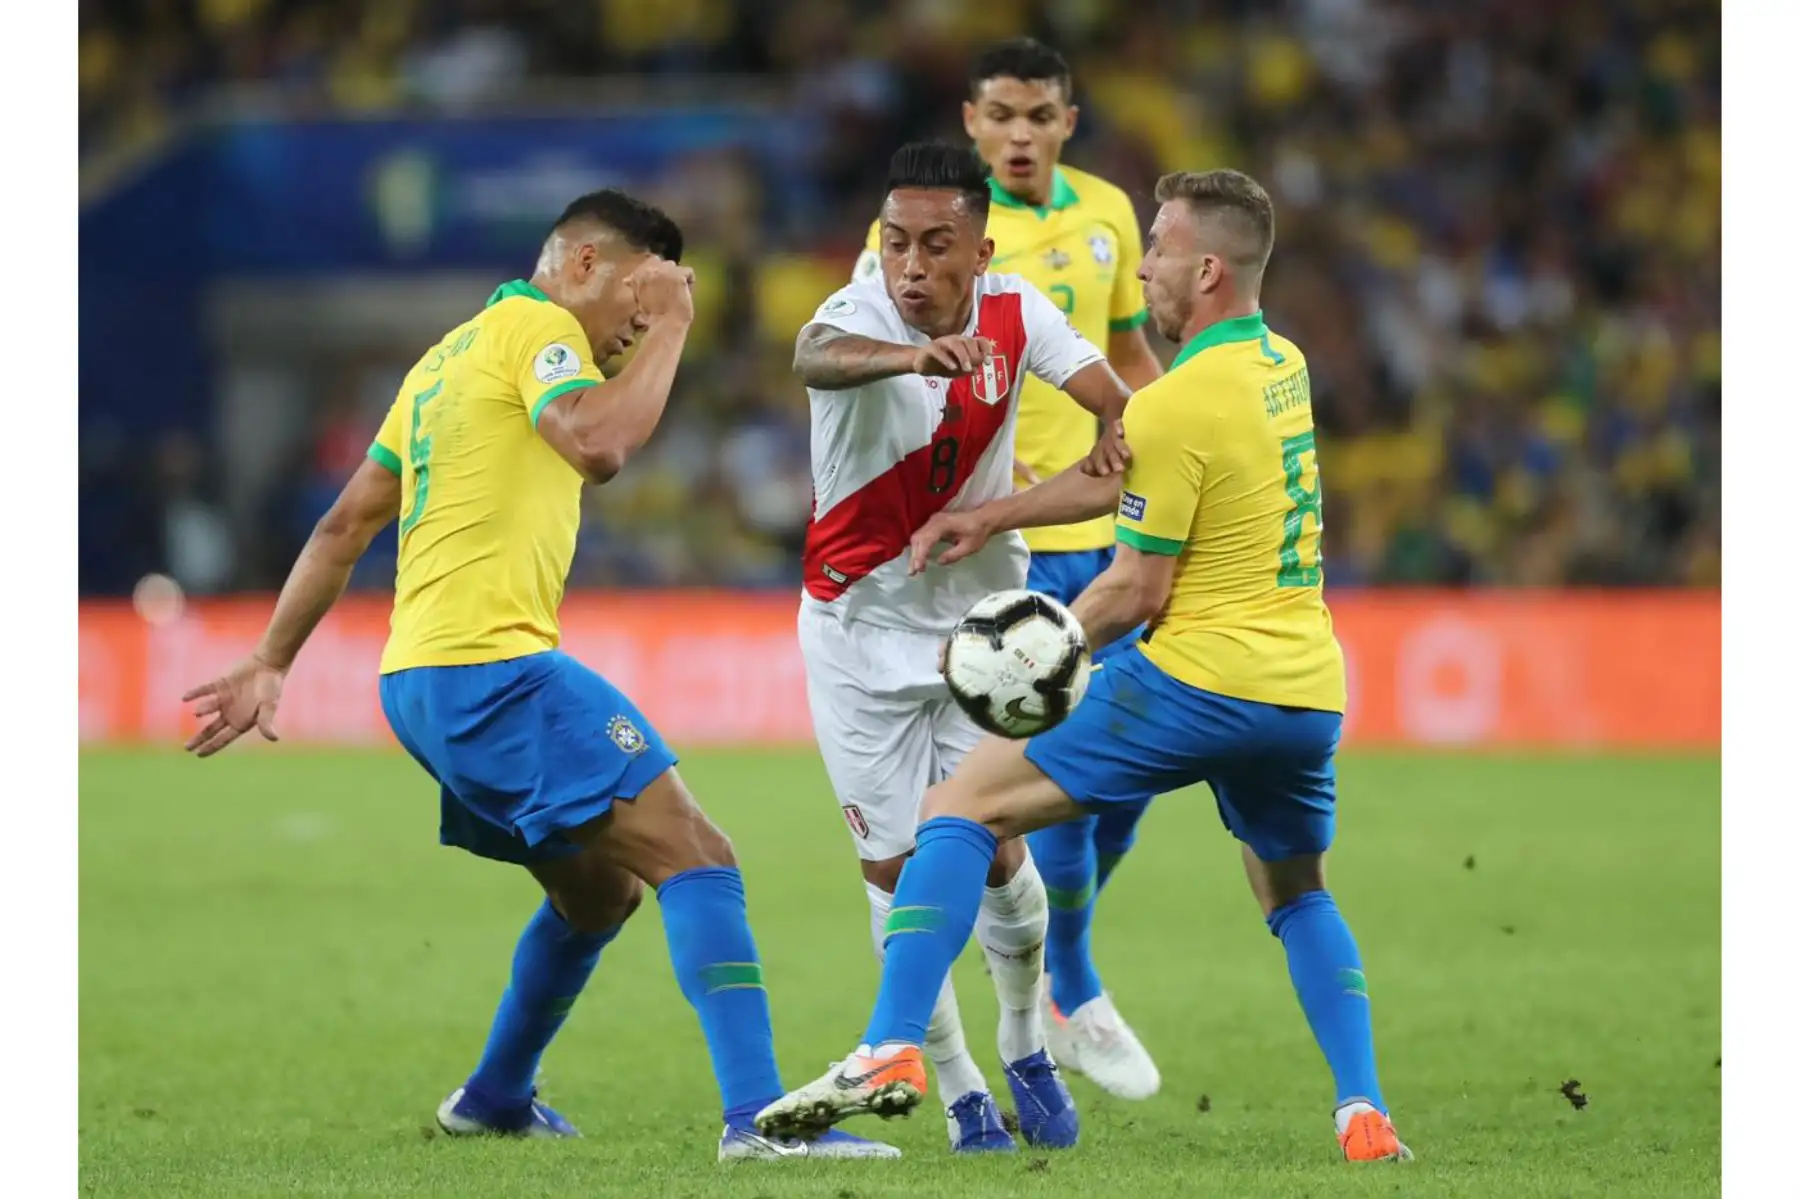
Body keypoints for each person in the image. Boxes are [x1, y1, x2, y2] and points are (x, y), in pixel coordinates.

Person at [179, 189, 897, 1164]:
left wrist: (271, 658)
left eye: (647, 323)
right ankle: (760, 1124)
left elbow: (344, 523)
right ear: (585, 264)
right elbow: (598, 443)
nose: (627, 338)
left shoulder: (447, 357)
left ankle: (494, 1096)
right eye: (630, 312)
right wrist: (677, 327)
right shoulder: (539, 329)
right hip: (492, 668)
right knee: (700, 855)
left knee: (598, 895)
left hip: (419, 683)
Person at [760, 169, 1412, 1164]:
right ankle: (1364, 1110)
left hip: (1196, 681)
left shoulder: (1173, 400)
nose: (1139, 264)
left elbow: (1134, 594)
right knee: (1297, 895)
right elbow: (1132, 472)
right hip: (1306, 688)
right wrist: (988, 515)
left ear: (1202, 269)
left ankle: (892, 1044)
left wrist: (1029, 648)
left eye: (1156, 247)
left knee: (957, 812)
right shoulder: (1283, 366)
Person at [796, 141, 1134, 1153]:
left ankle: (1026, 1040)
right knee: (895, 871)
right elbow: (809, 355)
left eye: (936, 245)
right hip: (855, 633)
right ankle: (959, 1093)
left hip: (984, 633)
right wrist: (910, 355)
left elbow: (1116, 421)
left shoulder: (1019, 308)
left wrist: (1009, 509)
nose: (911, 264)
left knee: (997, 853)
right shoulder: (856, 315)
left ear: (979, 249)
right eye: (896, 241)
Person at [855, 38, 1164, 1097]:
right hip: (998, 535)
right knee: (1043, 773)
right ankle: (1064, 993)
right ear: (972, 120)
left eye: (1041, 116)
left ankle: (1057, 993)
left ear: (1068, 121)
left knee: (1118, 773)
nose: (1021, 135)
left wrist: (1177, 446)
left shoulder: (1115, 215)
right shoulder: (926, 231)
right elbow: (884, 372)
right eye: (1003, 116)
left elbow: (1129, 356)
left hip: (1105, 520)